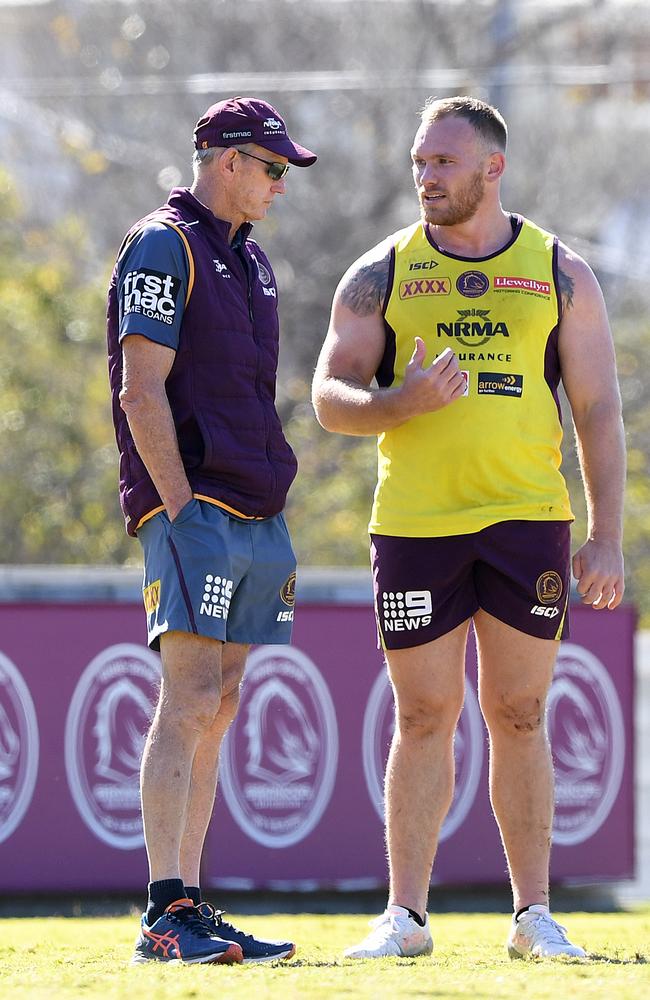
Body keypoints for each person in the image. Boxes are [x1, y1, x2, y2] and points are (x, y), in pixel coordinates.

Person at [312, 95, 625, 961]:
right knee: (424, 713)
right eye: (419, 163)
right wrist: (399, 403)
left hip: (528, 522)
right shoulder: (380, 271)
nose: (425, 177)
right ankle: (405, 918)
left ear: (493, 168)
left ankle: (533, 918)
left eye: (442, 163)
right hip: (416, 526)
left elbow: (598, 409)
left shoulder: (560, 272)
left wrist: (606, 534)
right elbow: (328, 396)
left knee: (520, 712)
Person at [107, 96, 316, 965]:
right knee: (188, 698)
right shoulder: (164, 243)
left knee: (221, 707)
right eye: (270, 167)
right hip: (194, 510)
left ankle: (189, 900)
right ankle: (164, 913)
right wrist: (181, 507)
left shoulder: (250, 260)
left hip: (255, 509)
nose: (278, 184)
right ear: (226, 160)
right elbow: (139, 388)